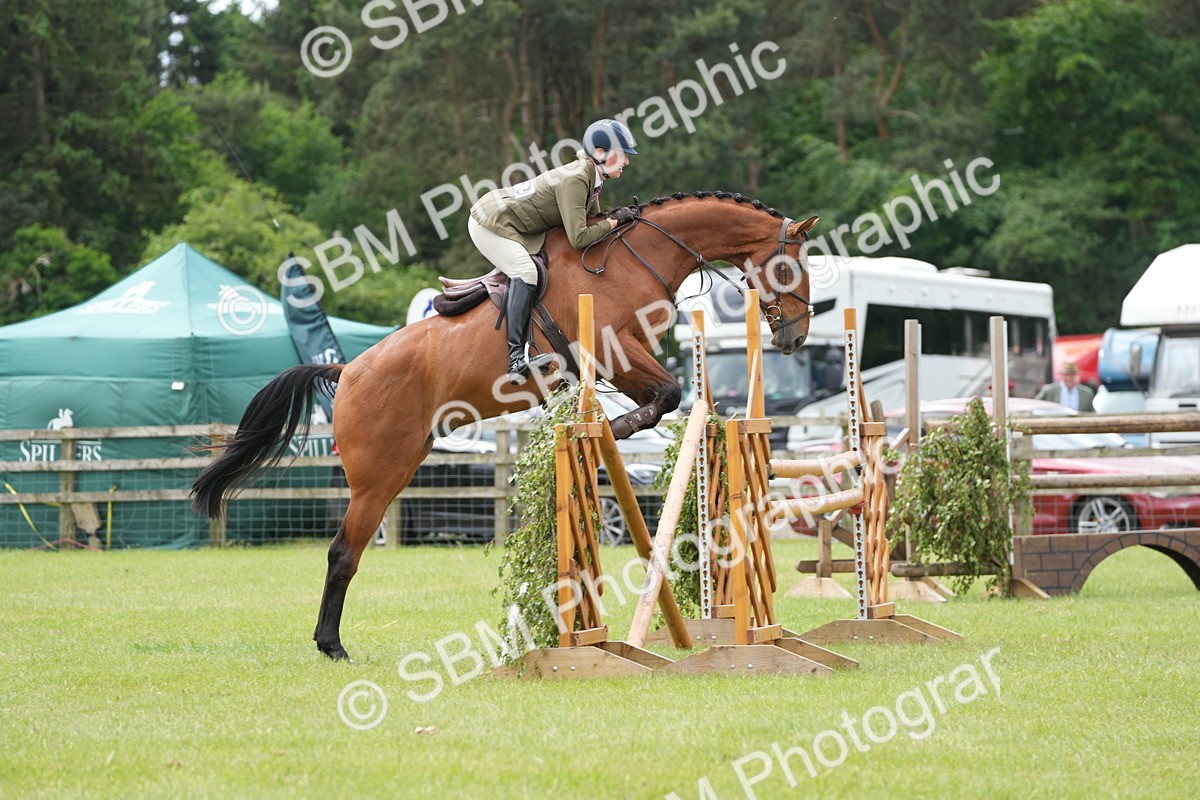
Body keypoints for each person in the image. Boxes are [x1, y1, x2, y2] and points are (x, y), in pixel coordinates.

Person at [469, 118, 640, 382]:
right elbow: (580, 237)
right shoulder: (576, 179)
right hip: (489, 221)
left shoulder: (592, 177)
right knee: (526, 272)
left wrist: (614, 219)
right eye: (622, 155)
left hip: (512, 220)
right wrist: (615, 221)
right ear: (600, 153)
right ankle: (515, 359)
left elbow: (594, 220)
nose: (626, 162)